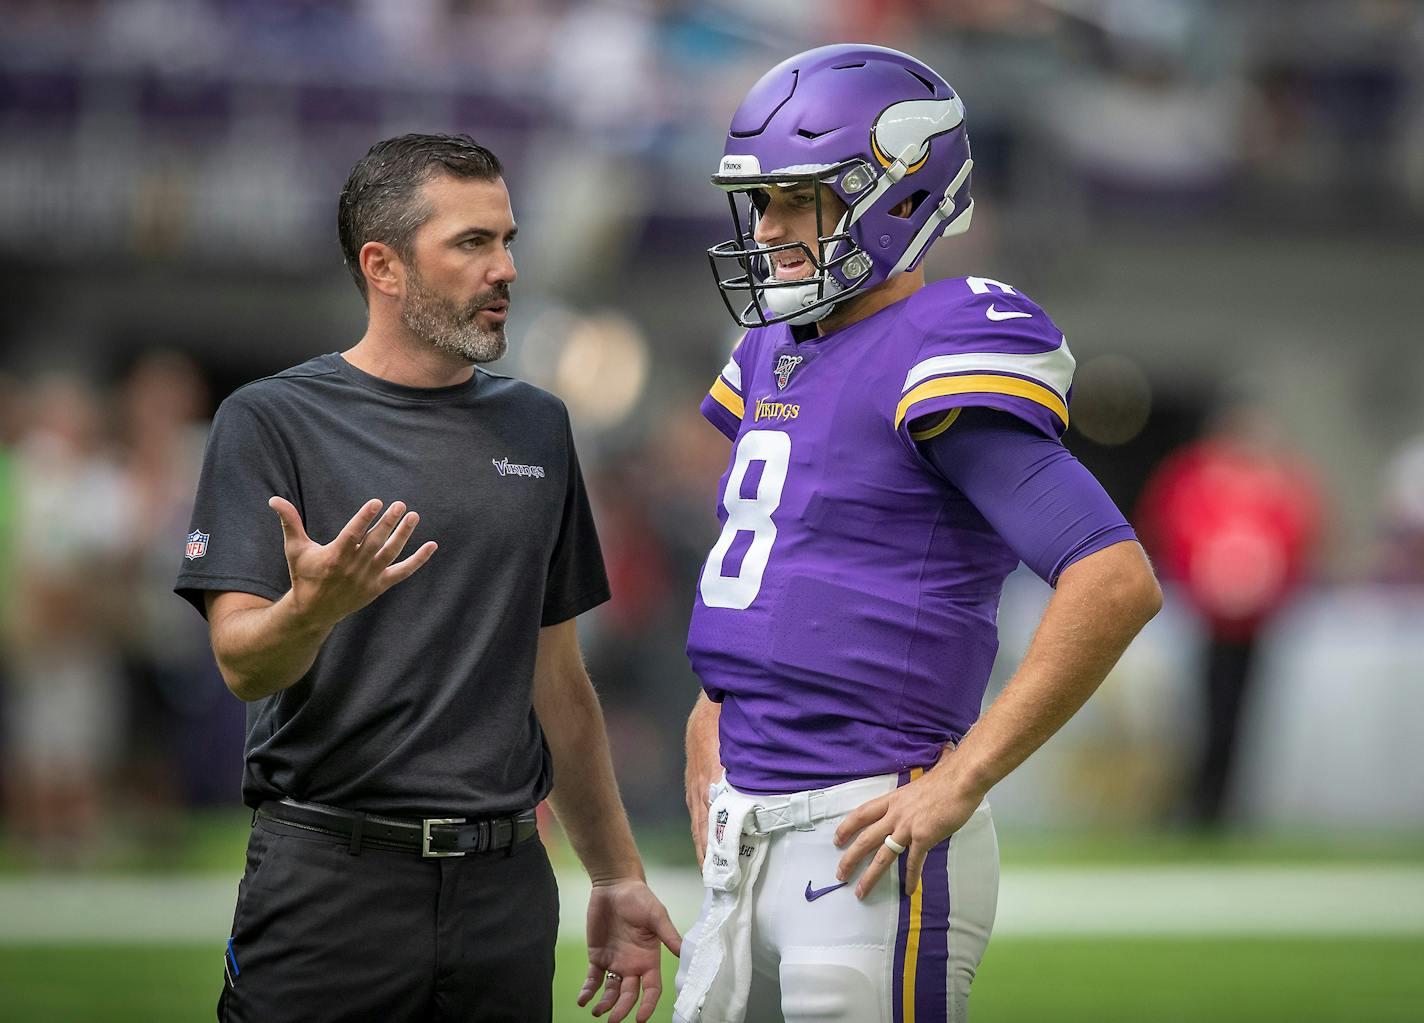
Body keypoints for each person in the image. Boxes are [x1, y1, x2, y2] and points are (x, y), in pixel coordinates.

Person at [676, 46, 1163, 1023]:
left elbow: (1112, 579)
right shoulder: (775, 347)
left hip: (863, 831)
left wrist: (965, 776)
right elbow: (787, 564)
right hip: (743, 831)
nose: (767, 231)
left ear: (899, 195)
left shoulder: (943, 341)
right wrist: (708, 710)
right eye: (760, 202)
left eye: (796, 201)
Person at [175, 133, 679, 1023]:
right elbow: (244, 665)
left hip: (506, 892)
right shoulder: (269, 420)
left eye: (508, 239)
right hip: (331, 883)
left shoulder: (539, 428)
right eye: (472, 243)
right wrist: (311, 610)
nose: (507, 268)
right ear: (384, 266)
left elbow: (559, 684)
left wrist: (616, 874)